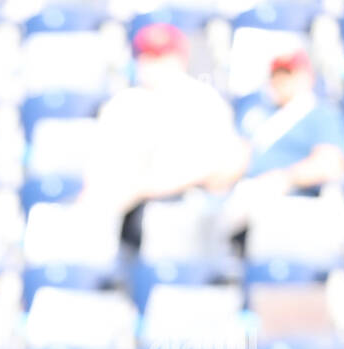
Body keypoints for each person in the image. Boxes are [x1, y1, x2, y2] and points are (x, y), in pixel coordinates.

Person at [80, 22, 244, 253]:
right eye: (146, 55)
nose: (152, 63)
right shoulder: (123, 104)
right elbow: (99, 173)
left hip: (191, 212)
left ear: (180, 58)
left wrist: (148, 185)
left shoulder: (203, 100)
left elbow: (225, 168)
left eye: (161, 55)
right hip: (131, 217)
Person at [219, 48, 344, 251]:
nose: (281, 81)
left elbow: (329, 163)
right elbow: (238, 157)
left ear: (306, 77)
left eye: (288, 74)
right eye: (276, 75)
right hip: (243, 195)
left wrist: (284, 178)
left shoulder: (321, 115)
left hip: (291, 199)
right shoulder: (257, 113)